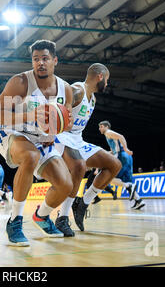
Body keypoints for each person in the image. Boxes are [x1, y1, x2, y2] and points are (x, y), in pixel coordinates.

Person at [0, 39, 74, 246]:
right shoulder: (20, 82)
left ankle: (42, 216)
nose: (40, 63)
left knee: (65, 185)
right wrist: (30, 116)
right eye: (36, 59)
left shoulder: (66, 90)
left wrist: (56, 131)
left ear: (55, 60)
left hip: (41, 139)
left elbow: (65, 122)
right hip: (12, 131)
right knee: (30, 155)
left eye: (45, 58)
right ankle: (14, 221)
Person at [54, 63, 122, 235]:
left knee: (114, 164)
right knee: (79, 166)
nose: (106, 84)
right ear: (100, 77)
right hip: (60, 136)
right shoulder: (78, 90)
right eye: (106, 80)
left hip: (77, 139)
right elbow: (56, 107)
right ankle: (62, 217)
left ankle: (82, 203)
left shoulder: (93, 98)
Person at [98, 120, 145, 210]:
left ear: (106, 127)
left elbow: (121, 136)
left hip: (121, 156)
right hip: (126, 157)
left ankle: (130, 188)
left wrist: (126, 148)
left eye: (101, 126)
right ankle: (139, 201)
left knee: (108, 178)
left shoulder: (108, 132)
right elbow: (114, 150)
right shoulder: (108, 135)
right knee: (127, 181)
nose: (99, 129)